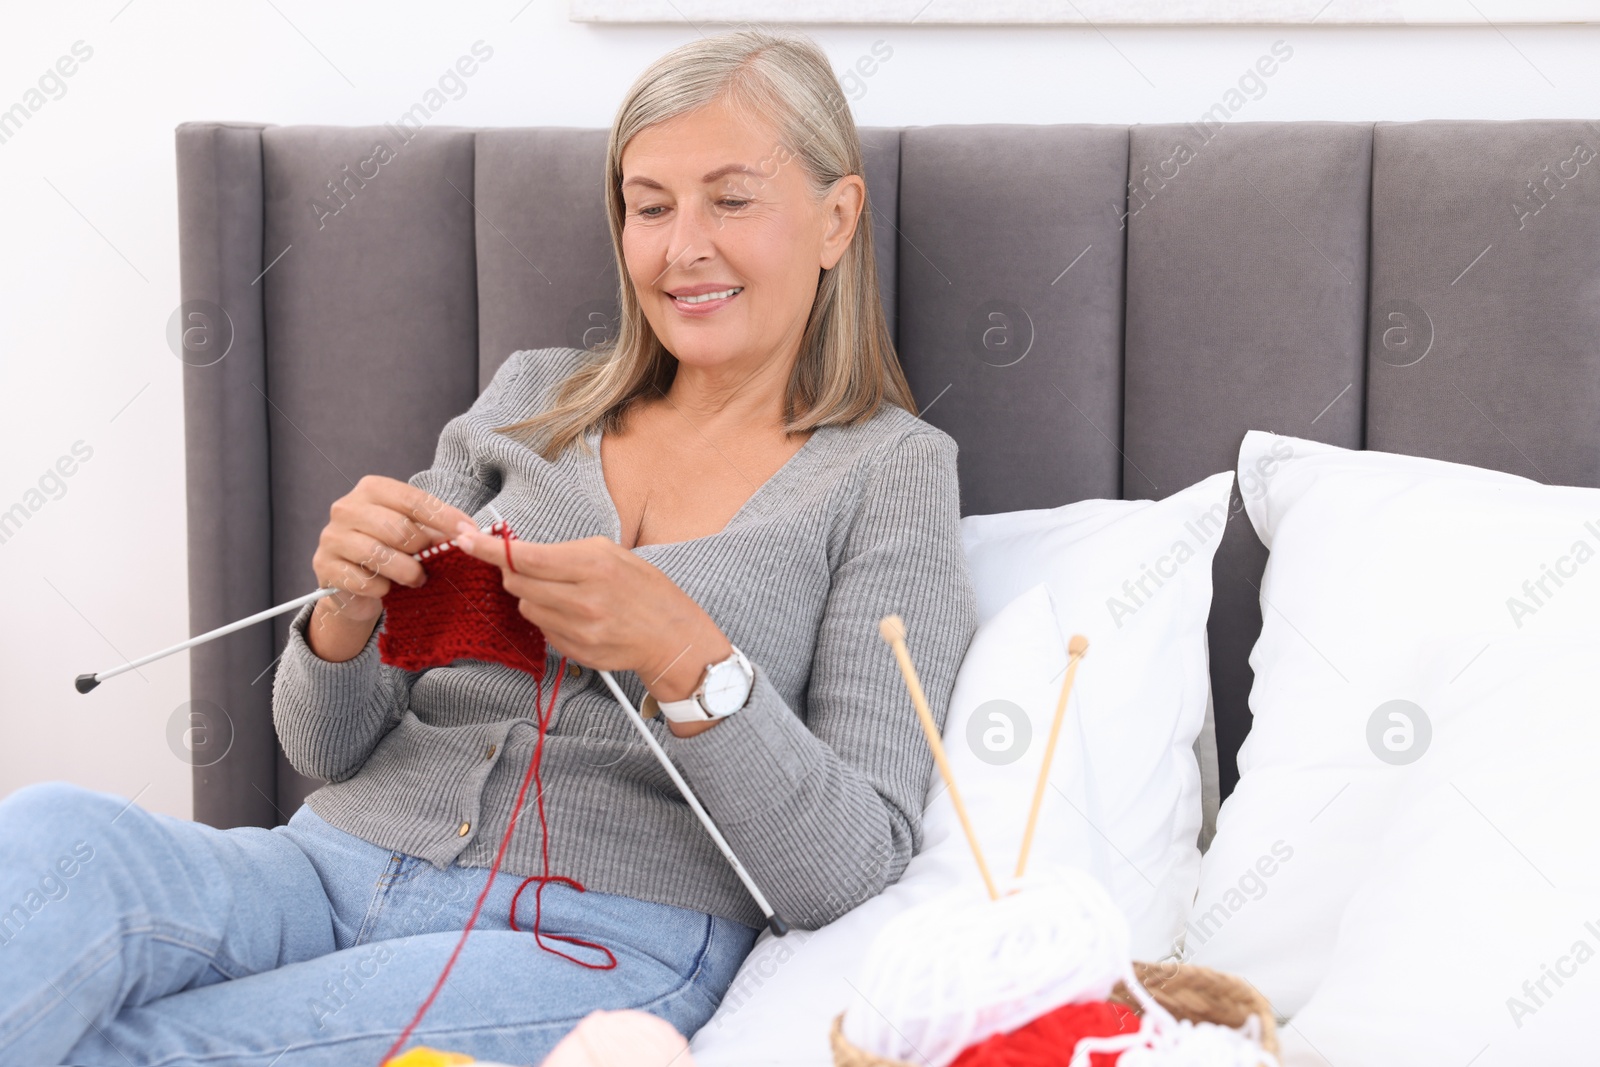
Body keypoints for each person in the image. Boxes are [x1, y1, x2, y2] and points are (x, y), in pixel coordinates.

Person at [0, 28, 977, 1067]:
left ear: (837, 216)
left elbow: (850, 865)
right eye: (648, 206)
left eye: (731, 199)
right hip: (327, 867)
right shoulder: (532, 397)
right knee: (56, 836)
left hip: (595, 936)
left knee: (149, 1047)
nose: (681, 245)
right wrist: (346, 612)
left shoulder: (887, 471)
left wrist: (684, 652)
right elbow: (324, 748)